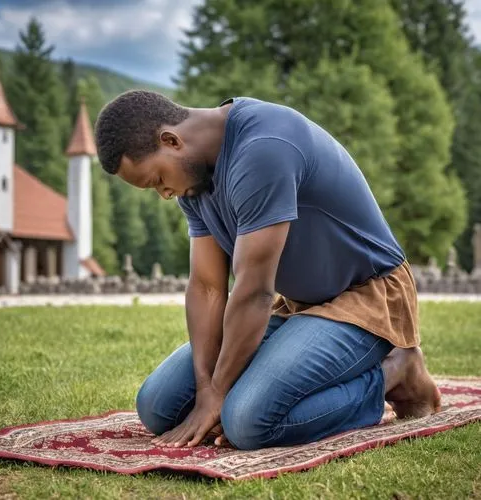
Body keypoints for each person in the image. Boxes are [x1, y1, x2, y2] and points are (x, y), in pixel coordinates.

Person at [94, 92, 441, 450]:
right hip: (297, 306)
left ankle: (395, 372)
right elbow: (207, 287)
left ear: (171, 140)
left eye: (157, 180)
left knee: (248, 422)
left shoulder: (264, 147)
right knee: (157, 406)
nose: (164, 194)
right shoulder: (193, 180)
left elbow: (255, 290)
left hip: (367, 297)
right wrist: (204, 388)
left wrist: (219, 392)